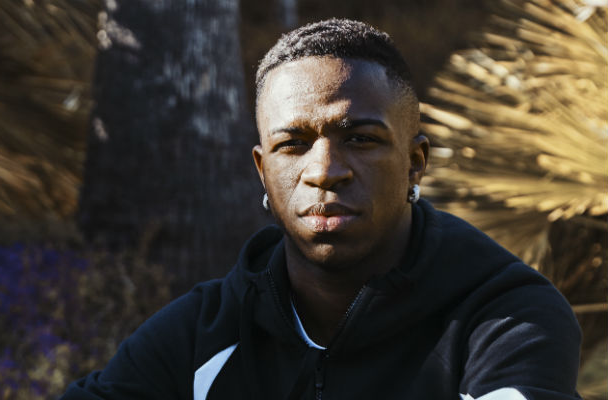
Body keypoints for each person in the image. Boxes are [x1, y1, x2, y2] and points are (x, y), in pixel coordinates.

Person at [61, 19, 581, 400]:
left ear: (415, 162)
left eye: (360, 138)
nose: (325, 170)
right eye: (293, 144)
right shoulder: (208, 327)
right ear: (262, 171)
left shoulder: (507, 316)